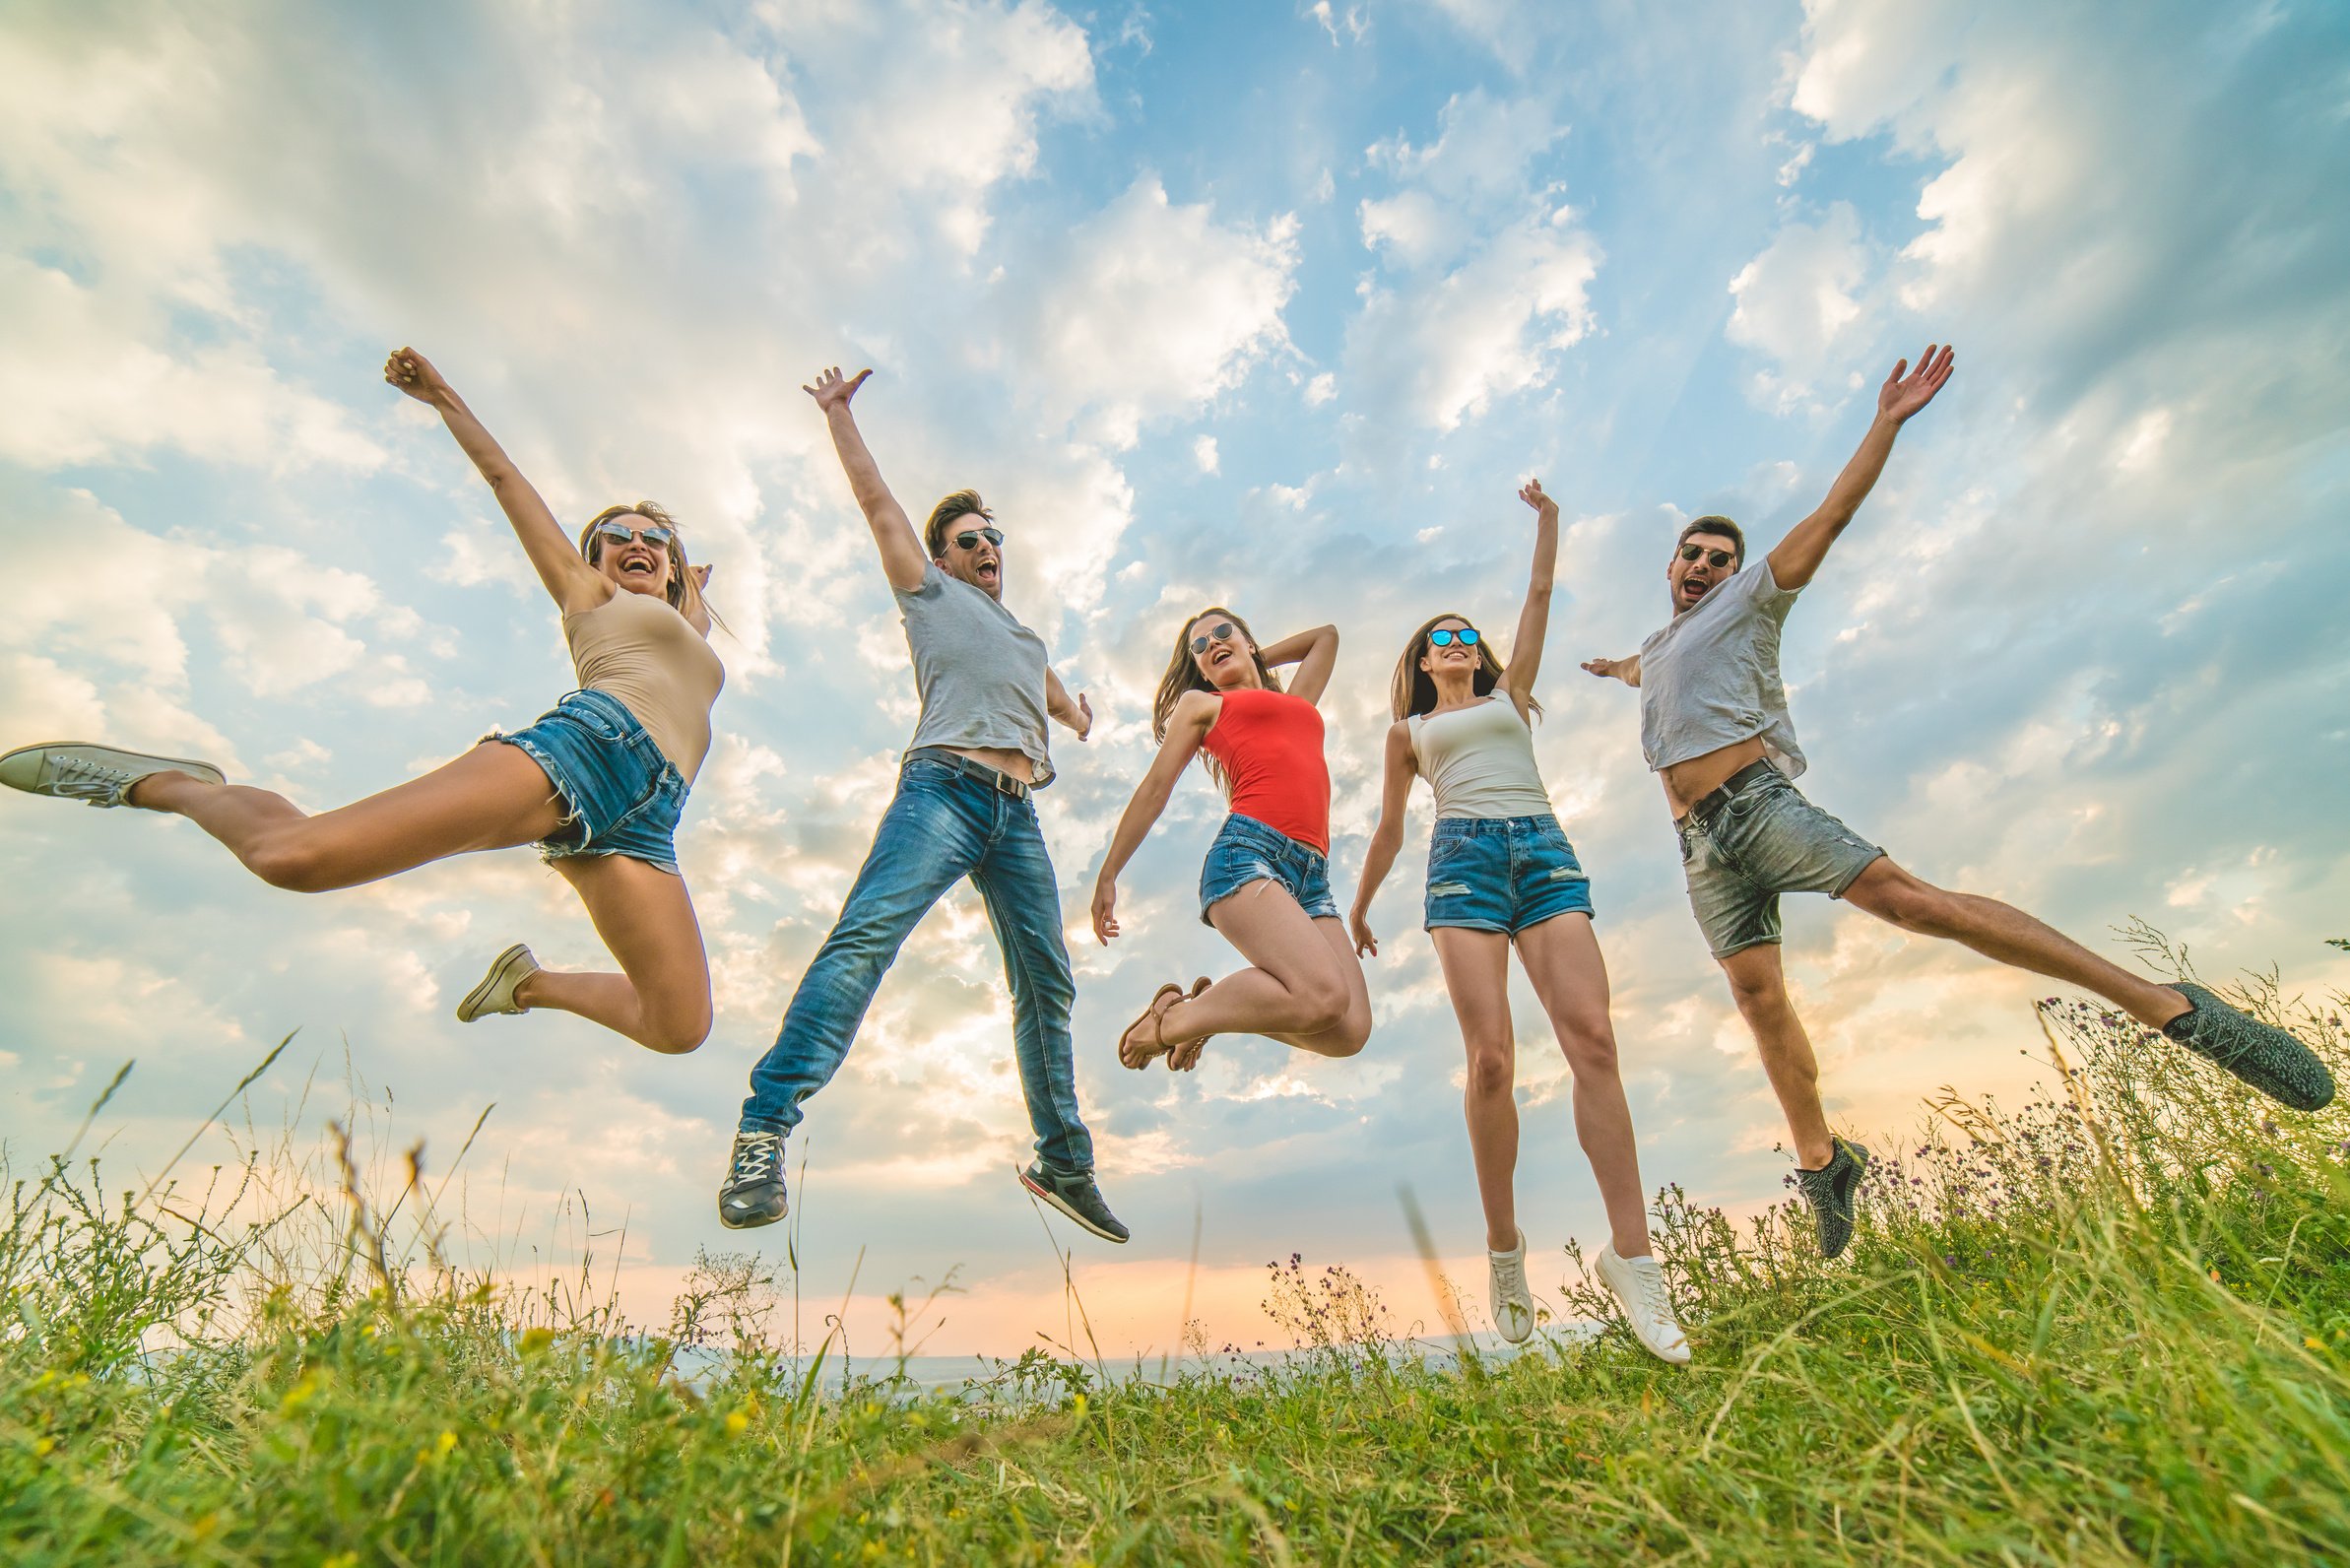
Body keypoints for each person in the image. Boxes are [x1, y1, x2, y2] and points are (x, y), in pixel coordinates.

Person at [1583, 343, 2334, 1259]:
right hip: (1698, 847)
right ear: (1670, 564)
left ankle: (2168, 1006)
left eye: (1719, 556)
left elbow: (1834, 512)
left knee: (1910, 903)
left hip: (1755, 806)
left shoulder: (1749, 602)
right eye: (1691, 554)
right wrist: (1615, 666)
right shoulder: (1660, 644)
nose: (1703, 564)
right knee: (1756, 999)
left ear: (1735, 571)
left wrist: (1884, 424)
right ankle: (1826, 1166)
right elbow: (1642, 670)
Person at [1, 349, 728, 1056]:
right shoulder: (588, 595)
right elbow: (507, 479)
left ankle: (527, 984)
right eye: (615, 537)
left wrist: (693, 590)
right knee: (291, 858)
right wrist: (446, 399)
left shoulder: (686, 626)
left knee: (677, 1025)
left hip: (650, 819)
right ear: (592, 558)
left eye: (654, 539)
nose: (636, 542)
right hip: (587, 754)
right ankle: (172, 786)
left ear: (671, 568)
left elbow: (689, 618)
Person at [721, 367, 1123, 1242]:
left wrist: (1077, 713)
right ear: (941, 558)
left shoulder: (1023, 634)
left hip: (1017, 815)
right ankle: (764, 1128)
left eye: (993, 538)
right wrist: (838, 415)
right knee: (867, 936)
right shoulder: (929, 593)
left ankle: (1064, 1162)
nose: (987, 549)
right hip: (942, 788)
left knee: (1047, 980)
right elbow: (880, 510)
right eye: (969, 540)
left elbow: (1046, 684)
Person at [1351, 479, 1686, 1362]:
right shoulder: (1408, 734)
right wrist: (1356, 906)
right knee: (1492, 1058)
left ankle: (1635, 1263)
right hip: (1460, 865)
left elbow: (1537, 599)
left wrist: (1550, 521)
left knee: (1594, 1040)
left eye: (1467, 636)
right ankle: (1506, 1249)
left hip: (1542, 853)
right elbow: (1389, 828)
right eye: (1441, 639)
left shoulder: (1513, 696)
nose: (1457, 643)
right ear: (1425, 662)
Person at [1091, 610, 1371, 1077]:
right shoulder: (1204, 706)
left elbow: (1326, 636)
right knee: (1324, 996)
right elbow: (1155, 788)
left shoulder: (1297, 703)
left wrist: (1257, 658)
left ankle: (1205, 1013)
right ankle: (1170, 1023)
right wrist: (1109, 872)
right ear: (1197, 669)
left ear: (1247, 639)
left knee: (1348, 1031)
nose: (1211, 645)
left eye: (1223, 634)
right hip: (1248, 857)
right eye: (1199, 648)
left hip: (1311, 879)